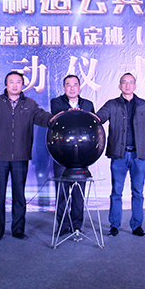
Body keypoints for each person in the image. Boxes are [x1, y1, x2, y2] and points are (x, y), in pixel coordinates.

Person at [0, 72, 52, 240]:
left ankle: (18, 230)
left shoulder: (30, 104)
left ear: (23, 85)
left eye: (18, 82)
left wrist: (58, 117)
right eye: (11, 82)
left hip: (21, 156)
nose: (14, 85)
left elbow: (43, 118)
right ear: (6, 84)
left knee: (19, 195)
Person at [96, 73, 145, 237]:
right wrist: (86, 115)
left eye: (131, 82)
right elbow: (99, 118)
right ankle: (114, 225)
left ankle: (137, 225)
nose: (128, 85)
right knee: (116, 192)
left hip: (139, 155)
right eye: (124, 82)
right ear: (119, 86)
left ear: (135, 86)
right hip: (119, 155)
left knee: (138, 192)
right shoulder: (112, 104)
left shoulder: (143, 105)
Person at [50, 74, 95, 235]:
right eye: (68, 85)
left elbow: (93, 125)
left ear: (79, 87)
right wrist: (71, 112)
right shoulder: (57, 102)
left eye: (75, 84)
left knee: (78, 193)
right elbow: (59, 116)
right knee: (62, 192)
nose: (72, 88)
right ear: (64, 88)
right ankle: (63, 225)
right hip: (61, 155)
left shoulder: (88, 104)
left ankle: (77, 225)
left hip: (82, 156)